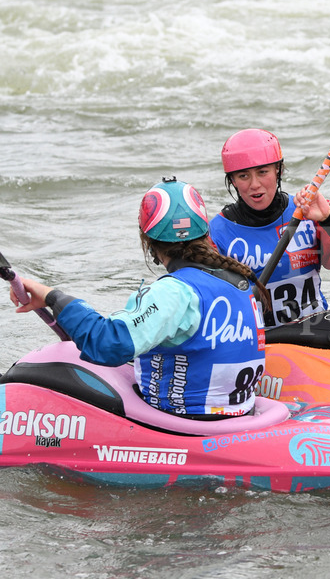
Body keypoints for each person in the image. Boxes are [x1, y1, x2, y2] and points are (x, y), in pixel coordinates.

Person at [9, 178, 269, 418]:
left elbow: (106, 343)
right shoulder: (239, 282)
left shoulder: (174, 292)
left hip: (185, 425)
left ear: (148, 242)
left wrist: (54, 297)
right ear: (204, 234)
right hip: (238, 415)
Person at [209, 128, 330, 328]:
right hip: (262, 343)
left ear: (278, 170)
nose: (255, 184)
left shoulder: (306, 211)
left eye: (263, 172)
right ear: (232, 180)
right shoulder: (218, 233)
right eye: (243, 176)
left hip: (313, 333)